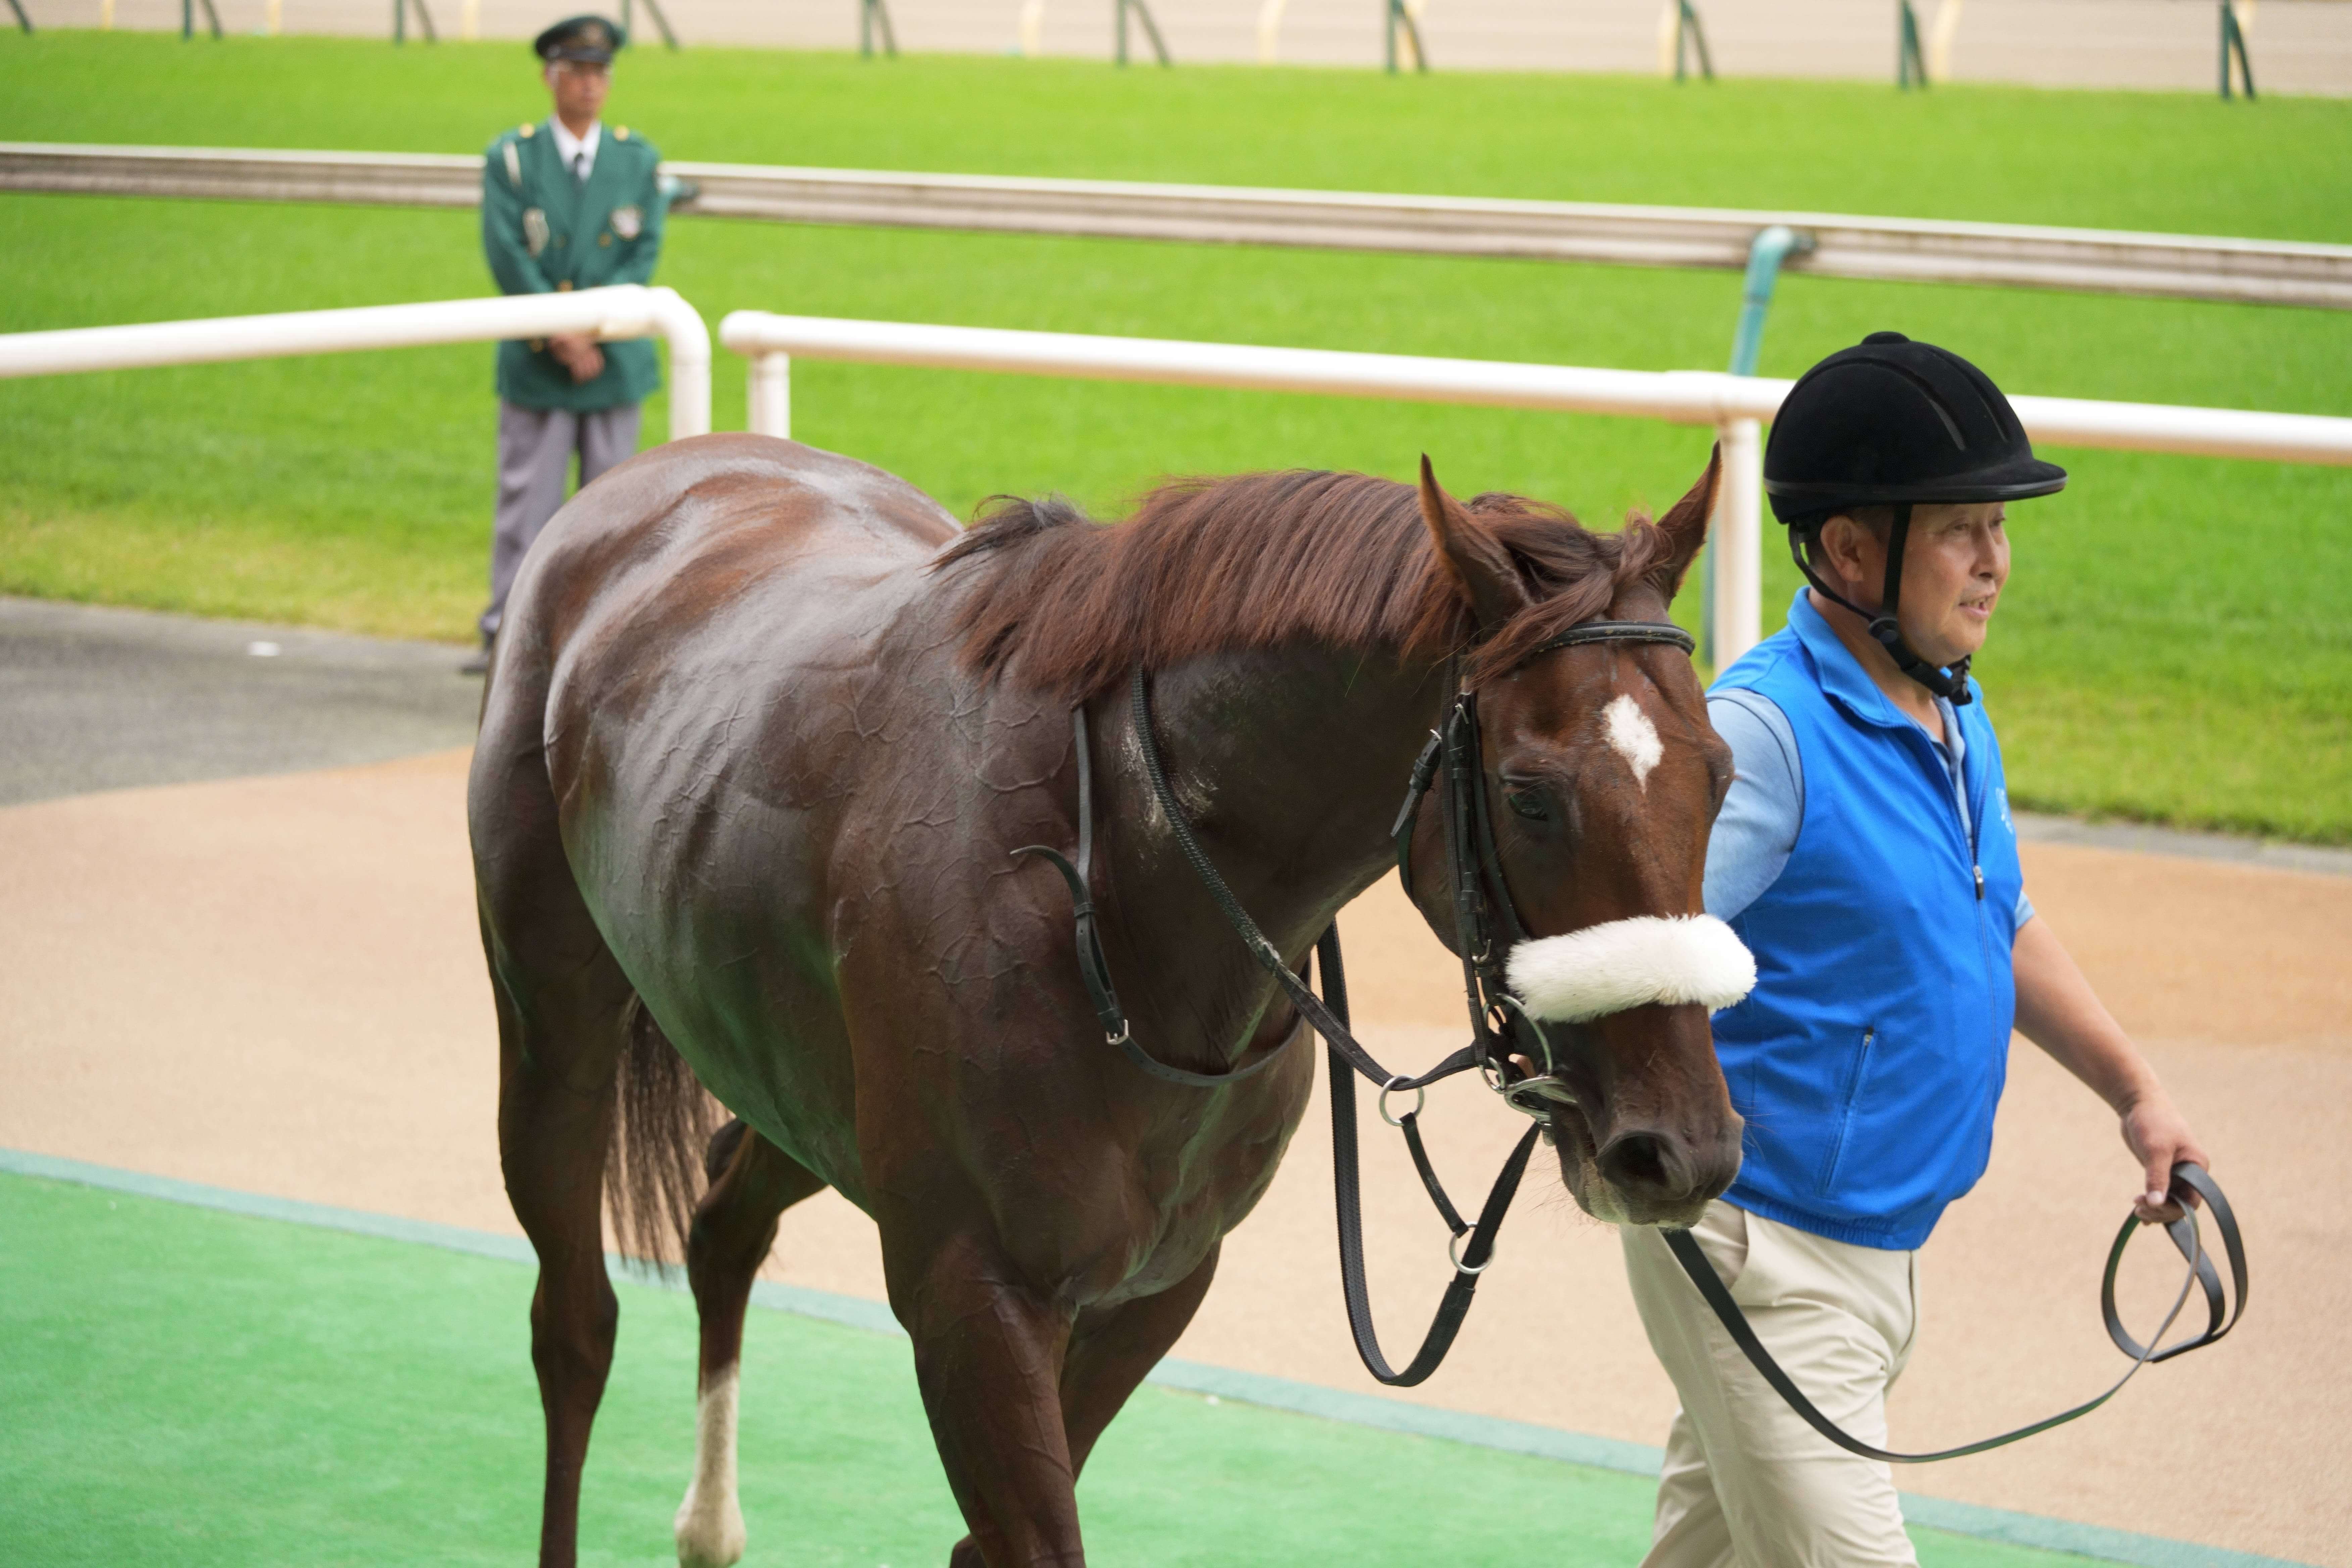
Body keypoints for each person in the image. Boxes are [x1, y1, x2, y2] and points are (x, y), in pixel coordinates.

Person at [1617, 332, 2211, 1567]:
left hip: (1874, 1250)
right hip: (1759, 1250)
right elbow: (1633, 953)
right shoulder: (1761, 736)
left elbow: (1996, 916)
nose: (1993, 563)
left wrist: (2134, 1092)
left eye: (1998, 528)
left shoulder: (1944, 702)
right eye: (1960, 530)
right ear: (1847, 549)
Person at [467, 13, 667, 675]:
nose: (590, 84)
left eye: (600, 72)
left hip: (609, 361)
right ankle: (507, 636)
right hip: (539, 360)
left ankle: (606, 640)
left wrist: (593, 331)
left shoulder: (636, 160)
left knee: (615, 514)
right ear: (551, 76)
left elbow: (641, 254)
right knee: (529, 506)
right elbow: (506, 252)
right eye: (578, 71)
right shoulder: (515, 158)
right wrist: (560, 332)